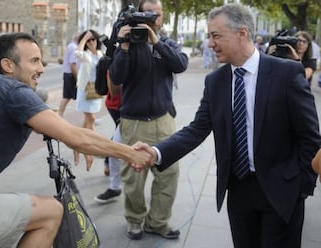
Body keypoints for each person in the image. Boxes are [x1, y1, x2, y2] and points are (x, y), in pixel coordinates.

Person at [0, 32, 152, 248]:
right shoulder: (12, 91)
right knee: (50, 212)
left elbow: (59, 126)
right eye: (34, 60)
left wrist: (69, 136)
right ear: (8, 65)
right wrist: (131, 153)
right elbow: (76, 136)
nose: (42, 67)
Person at [134, 4, 320, 248]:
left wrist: (301, 188)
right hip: (239, 192)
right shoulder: (215, 82)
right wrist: (156, 152)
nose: (210, 43)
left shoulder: (286, 73)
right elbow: (197, 129)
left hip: (282, 191)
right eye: (209, 36)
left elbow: (310, 137)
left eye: (216, 35)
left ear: (242, 33)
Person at [109, 0, 189, 240]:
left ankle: (157, 222)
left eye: (158, 13)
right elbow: (116, 77)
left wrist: (155, 41)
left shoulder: (166, 43)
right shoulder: (128, 43)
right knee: (134, 177)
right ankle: (134, 220)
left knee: (169, 174)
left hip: (164, 119)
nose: (154, 17)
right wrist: (123, 45)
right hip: (134, 121)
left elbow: (180, 64)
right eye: (149, 13)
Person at [73, 29, 104, 167]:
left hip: (96, 91)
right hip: (85, 91)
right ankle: (91, 148)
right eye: (89, 40)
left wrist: (94, 49)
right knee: (91, 118)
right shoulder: (85, 55)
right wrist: (84, 39)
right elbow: (77, 53)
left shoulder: (100, 54)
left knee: (87, 121)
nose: (92, 42)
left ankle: (75, 141)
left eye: (93, 39)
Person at [95, 72, 122, 203]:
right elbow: (114, 89)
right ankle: (114, 185)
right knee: (117, 143)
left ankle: (108, 165)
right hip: (119, 105)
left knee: (118, 142)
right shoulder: (117, 55)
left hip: (119, 105)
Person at [58, 32, 79, 117]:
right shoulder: (74, 48)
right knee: (83, 96)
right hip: (71, 74)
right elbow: (72, 64)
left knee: (67, 96)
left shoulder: (70, 45)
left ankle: (59, 115)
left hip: (67, 74)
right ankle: (89, 117)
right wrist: (77, 77)